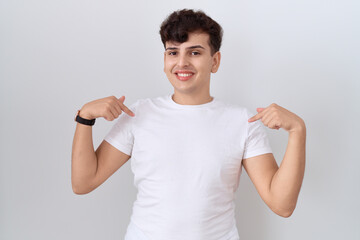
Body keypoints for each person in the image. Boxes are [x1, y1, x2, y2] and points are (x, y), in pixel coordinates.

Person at [71, 8, 306, 240]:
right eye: (173, 53)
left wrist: (297, 131)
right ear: (164, 59)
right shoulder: (138, 114)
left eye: (194, 53)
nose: (181, 63)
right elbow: (83, 182)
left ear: (215, 61)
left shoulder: (243, 123)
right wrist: (85, 118)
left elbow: (281, 205)